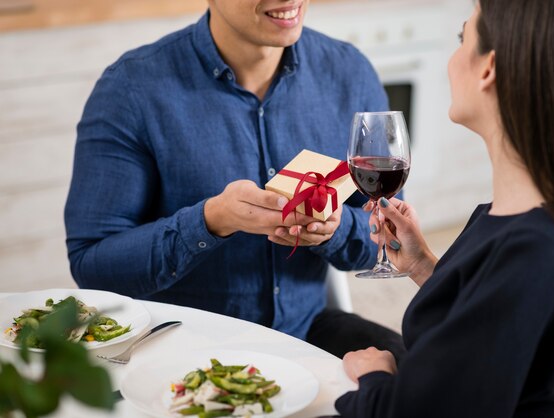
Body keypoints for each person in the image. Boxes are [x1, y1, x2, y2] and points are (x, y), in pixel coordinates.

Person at [64, 0, 406, 361]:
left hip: (305, 333)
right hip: (182, 347)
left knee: (428, 378)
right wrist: (209, 222)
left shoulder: (348, 72)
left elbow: (388, 239)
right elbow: (93, 267)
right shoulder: (131, 88)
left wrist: (332, 230)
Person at [335, 0, 554, 416]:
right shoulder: (537, 222)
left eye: (462, 37)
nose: (454, 57)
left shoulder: (534, 253)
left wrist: (377, 374)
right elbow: (497, 326)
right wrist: (424, 266)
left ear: (488, 68)